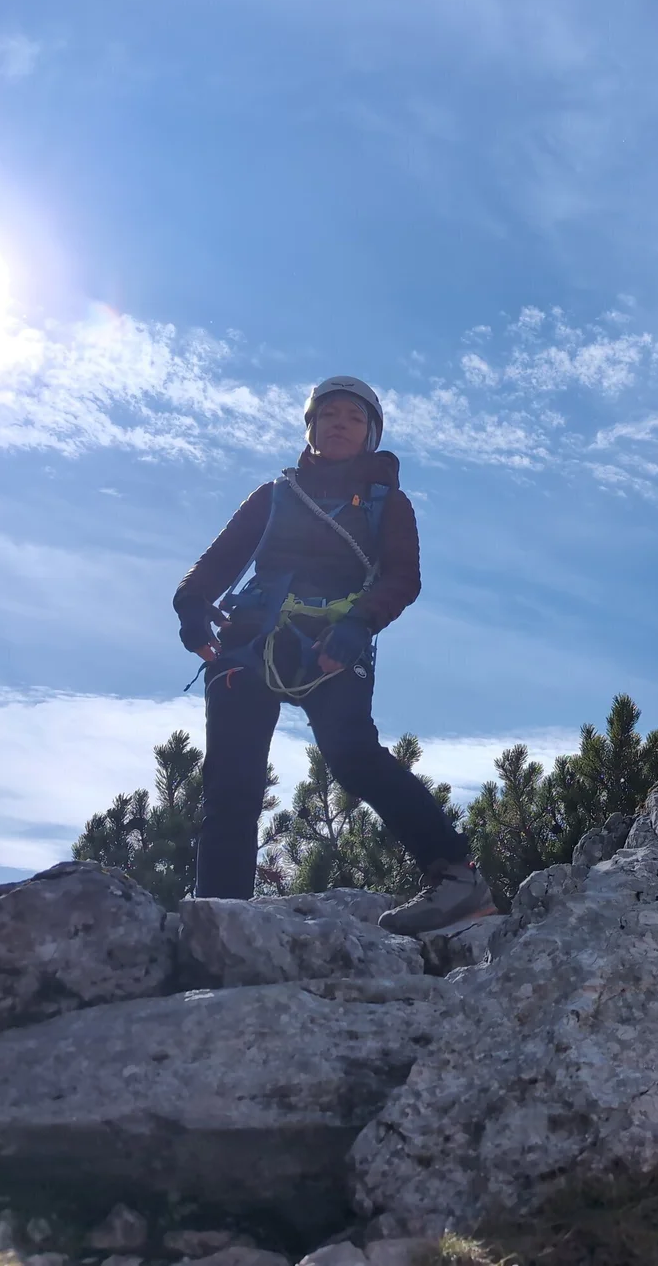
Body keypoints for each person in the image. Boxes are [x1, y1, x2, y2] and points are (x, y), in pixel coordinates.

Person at [171, 376, 492, 935]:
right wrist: (192, 604)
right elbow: (220, 559)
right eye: (329, 415)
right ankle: (220, 921)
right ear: (312, 427)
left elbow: (402, 576)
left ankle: (458, 877)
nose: (339, 423)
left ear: (370, 434)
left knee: (352, 755)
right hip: (252, 641)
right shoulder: (272, 496)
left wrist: (359, 622)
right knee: (231, 781)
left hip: (333, 642)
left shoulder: (387, 504)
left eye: (353, 417)